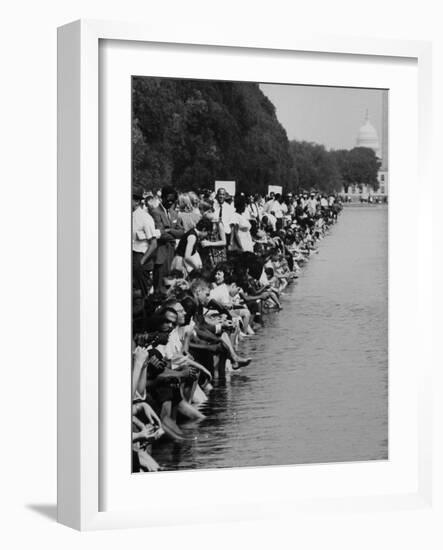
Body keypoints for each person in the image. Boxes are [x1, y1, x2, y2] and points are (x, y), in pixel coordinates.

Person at [150, 186, 184, 289]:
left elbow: (182, 232)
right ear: (163, 198)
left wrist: (170, 230)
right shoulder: (156, 212)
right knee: (159, 285)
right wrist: (173, 236)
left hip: (172, 253)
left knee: (170, 284)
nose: (171, 202)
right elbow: (160, 233)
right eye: (169, 200)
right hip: (160, 253)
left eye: (173, 200)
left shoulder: (175, 214)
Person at [132, 188, 159, 297]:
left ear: (137, 201)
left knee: (141, 294)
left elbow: (153, 244)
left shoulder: (145, 218)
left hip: (139, 258)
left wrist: (141, 262)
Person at [198, 201, 227, 270]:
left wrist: (210, 243)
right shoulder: (205, 222)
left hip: (218, 255)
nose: (202, 215)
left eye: (204, 213)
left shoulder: (218, 223)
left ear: (210, 211)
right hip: (208, 254)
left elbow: (224, 242)